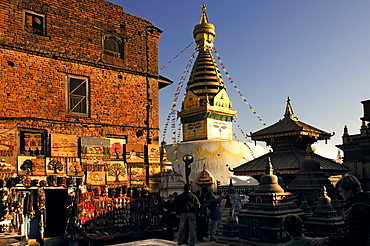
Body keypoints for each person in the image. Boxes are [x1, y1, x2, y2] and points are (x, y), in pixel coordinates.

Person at [311, 174, 370, 246]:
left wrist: (327, 240)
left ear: (349, 190)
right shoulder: (365, 202)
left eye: (341, 191)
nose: (340, 194)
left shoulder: (356, 209)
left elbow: (353, 239)